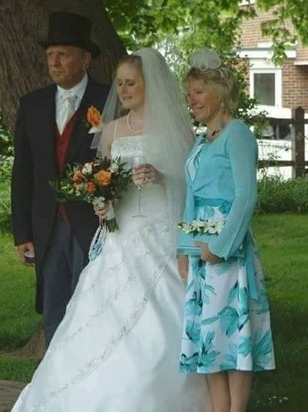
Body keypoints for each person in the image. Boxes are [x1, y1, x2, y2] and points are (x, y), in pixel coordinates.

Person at [12, 48, 212, 411]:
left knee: (163, 313)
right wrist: (101, 203)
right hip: (121, 237)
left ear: (150, 85)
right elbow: (106, 185)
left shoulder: (176, 130)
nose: (123, 89)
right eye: (119, 83)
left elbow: (191, 188)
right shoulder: (111, 131)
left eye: (131, 83)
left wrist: (160, 177)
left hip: (160, 231)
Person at [177, 47, 275, 412]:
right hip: (201, 257)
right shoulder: (202, 141)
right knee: (208, 339)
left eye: (199, 92)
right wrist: (184, 249)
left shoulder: (238, 135)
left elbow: (246, 197)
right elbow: (191, 196)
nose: (192, 100)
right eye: (190, 94)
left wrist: (219, 246)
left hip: (227, 254)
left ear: (220, 92)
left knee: (233, 338)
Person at [11, 11, 110, 346]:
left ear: (84, 59)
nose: (54, 62)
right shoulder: (32, 104)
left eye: (62, 54)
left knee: (94, 307)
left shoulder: (108, 99)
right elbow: (23, 172)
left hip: (93, 223)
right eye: (50, 55)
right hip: (46, 225)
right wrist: (22, 232)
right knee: (54, 309)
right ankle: (55, 388)